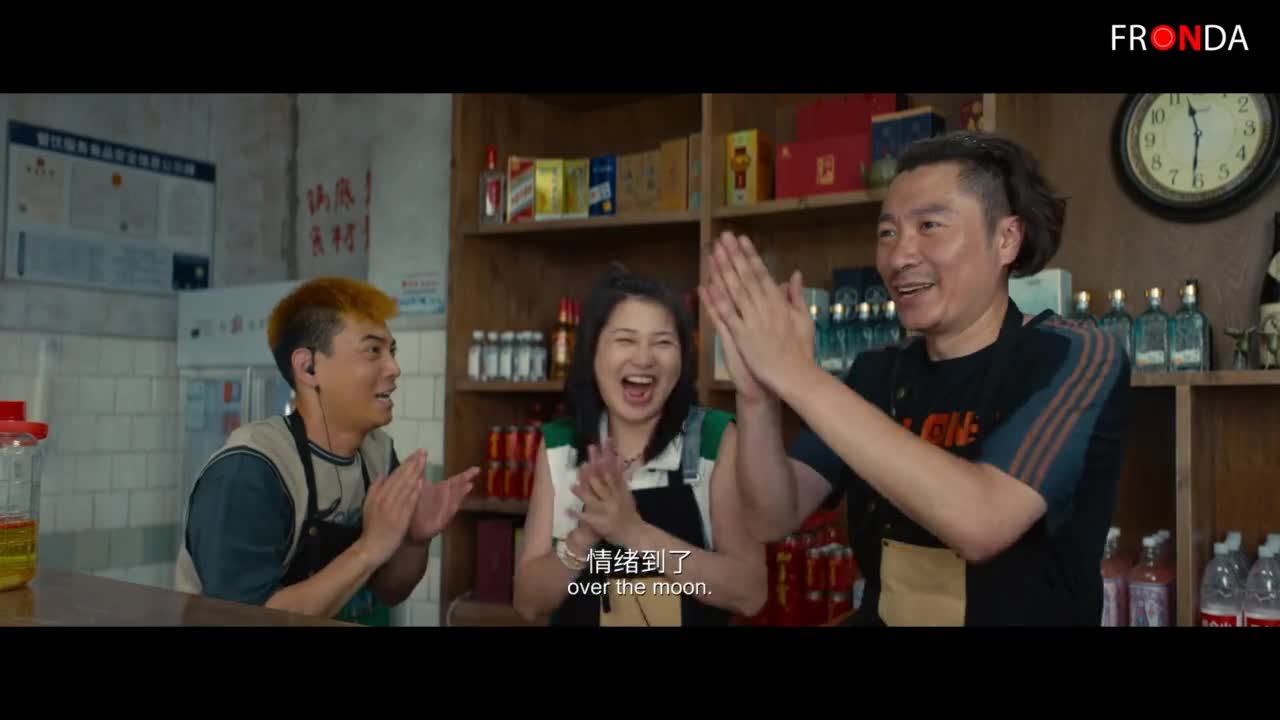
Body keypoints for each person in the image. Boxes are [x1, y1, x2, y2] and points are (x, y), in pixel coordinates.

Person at [701, 130, 1129, 626]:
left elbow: (983, 521)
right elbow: (772, 516)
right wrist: (758, 397)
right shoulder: (876, 372)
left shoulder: (1074, 354)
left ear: (1006, 239)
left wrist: (800, 376)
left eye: (929, 226)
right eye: (887, 233)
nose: (900, 256)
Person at [175, 277, 478, 625]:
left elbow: (389, 590)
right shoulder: (250, 469)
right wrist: (368, 548)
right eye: (373, 350)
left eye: (391, 352)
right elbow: (245, 619)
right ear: (309, 368)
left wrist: (415, 540)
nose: (394, 369)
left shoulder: (377, 455)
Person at [513, 265, 767, 626]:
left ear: (683, 358)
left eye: (662, 342)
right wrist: (583, 538)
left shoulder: (713, 439)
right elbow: (528, 603)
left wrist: (633, 532)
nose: (644, 358)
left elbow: (750, 593)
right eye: (625, 340)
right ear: (592, 352)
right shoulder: (560, 446)